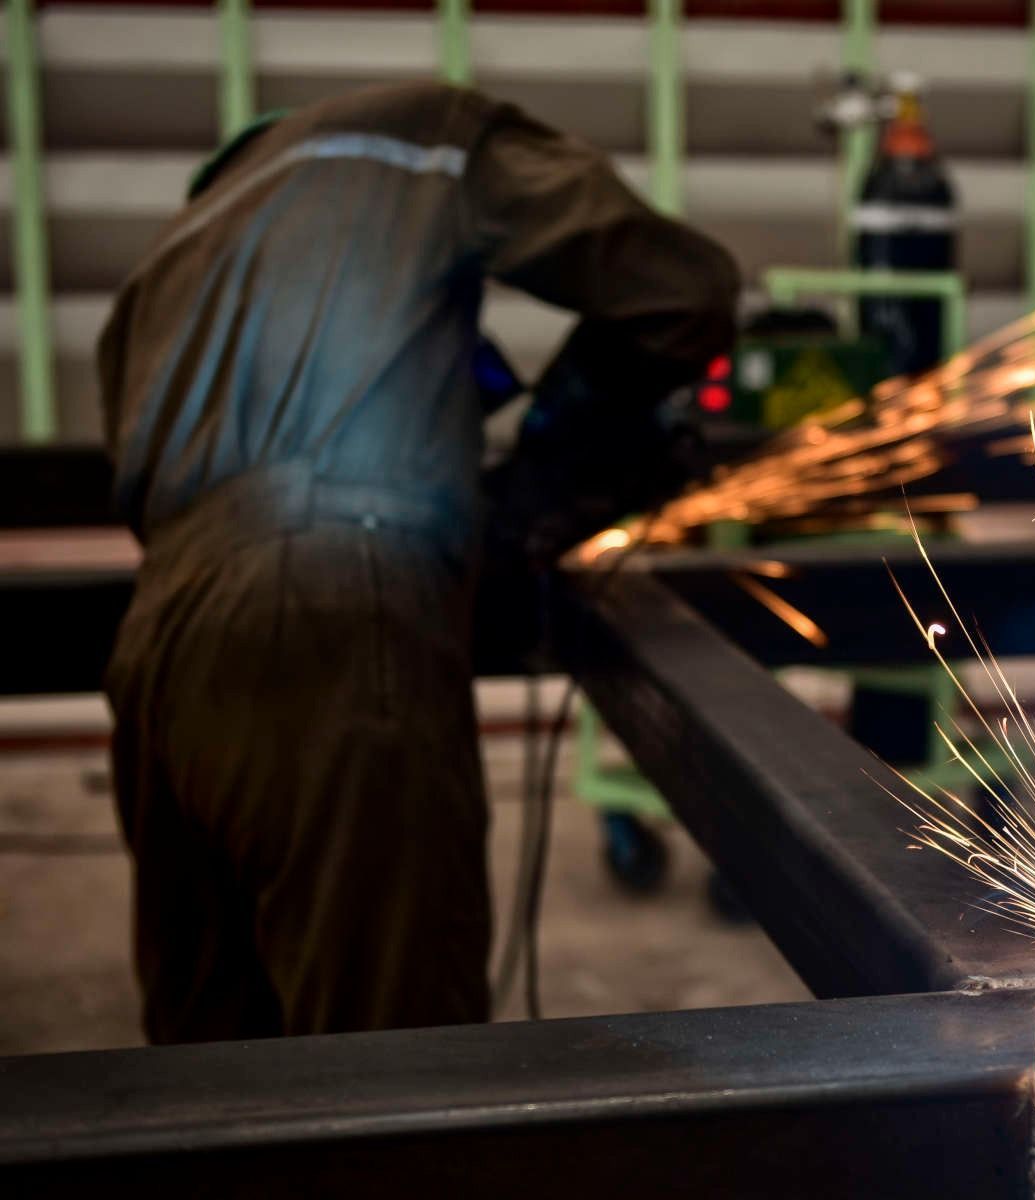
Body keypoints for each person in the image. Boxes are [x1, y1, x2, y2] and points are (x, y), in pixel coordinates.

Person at [96, 82, 739, 1042]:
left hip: (154, 653)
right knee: (398, 1069)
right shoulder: (412, 134)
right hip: (333, 617)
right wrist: (567, 444)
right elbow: (682, 288)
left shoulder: (169, 260)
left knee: (206, 1081)